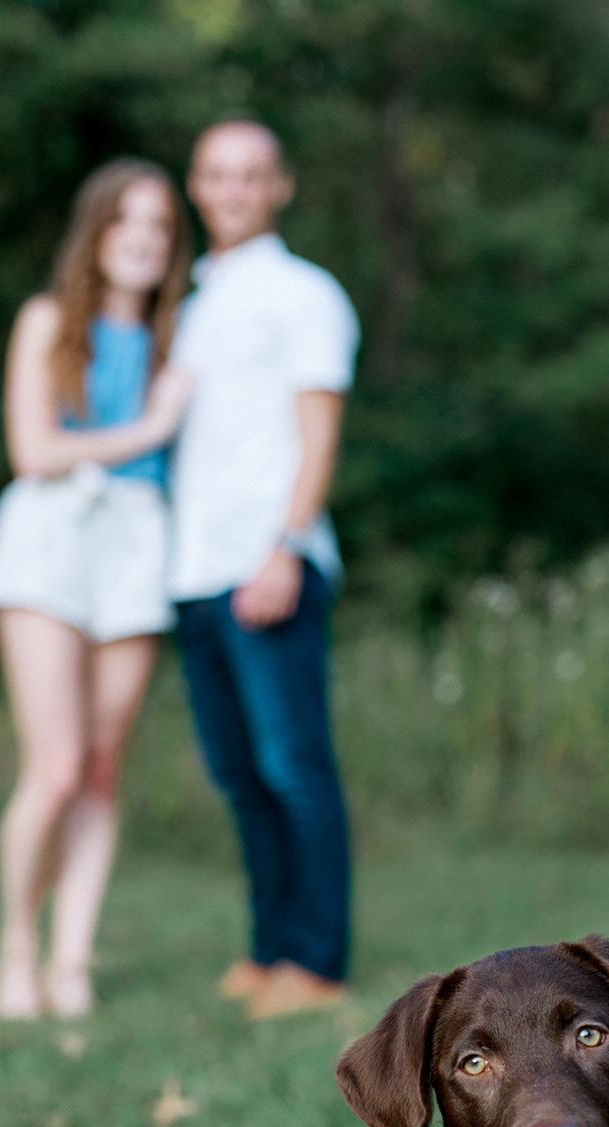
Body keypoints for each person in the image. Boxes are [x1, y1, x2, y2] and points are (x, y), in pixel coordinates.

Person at [0, 159, 192, 1019]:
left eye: (159, 224)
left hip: (138, 542)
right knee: (57, 767)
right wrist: (153, 425)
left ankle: (71, 962)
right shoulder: (46, 321)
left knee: (101, 770)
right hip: (51, 537)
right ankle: (15, 946)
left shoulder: (178, 341)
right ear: (95, 232)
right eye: (124, 221)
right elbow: (34, 452)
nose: (141, 238)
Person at [170, 121, 360, 1020]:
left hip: (269, 559)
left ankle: (317, 964)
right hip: (194, 572)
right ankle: (268, 949)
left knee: (294, 766)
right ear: (197, 186)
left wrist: (285, 546)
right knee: (241, 774)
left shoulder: (305, 294)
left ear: (280, 187)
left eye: (251, 175)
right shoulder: (191, 306)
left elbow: (319, 433)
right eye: (218, 174)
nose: (234, 189)